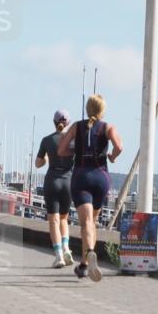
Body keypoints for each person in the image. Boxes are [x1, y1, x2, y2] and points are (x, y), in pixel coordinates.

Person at [57, 95, 123, 282]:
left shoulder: (76, 126)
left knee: (85, 223)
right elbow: (119, 146)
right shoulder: (108, 127)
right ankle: (85, 264)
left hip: (81, 176)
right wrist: (112, 157)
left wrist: (75, 152)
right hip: (101, 178)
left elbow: (61, 150)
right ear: (102, 110)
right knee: (92, 222)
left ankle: (90, 254)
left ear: (87, 109)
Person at [36, 109, 75, 268]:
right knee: (64, 219)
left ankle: (59, 256)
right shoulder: (73, 141)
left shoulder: (47, 140)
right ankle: (66, 248)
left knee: (54, 220)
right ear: (68, 123)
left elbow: (38, 164)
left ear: (54, 122)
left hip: (52, 181)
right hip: (68, 182)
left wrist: (46, 158)